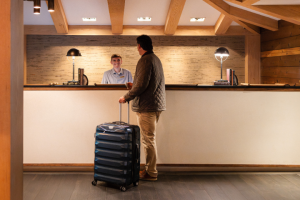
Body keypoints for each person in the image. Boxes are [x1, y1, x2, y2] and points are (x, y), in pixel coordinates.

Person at [119, 35, 166, 181]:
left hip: (147, 106)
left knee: (148, 140)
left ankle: (151, 172)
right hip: (155, 105)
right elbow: (148, 83)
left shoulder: (145, 60)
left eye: (137, 45)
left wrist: (126, 97)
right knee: (149, 139)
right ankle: (149, 170)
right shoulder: (155, 59)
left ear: (139, 45)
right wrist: (135, 86)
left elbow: (141, 85)